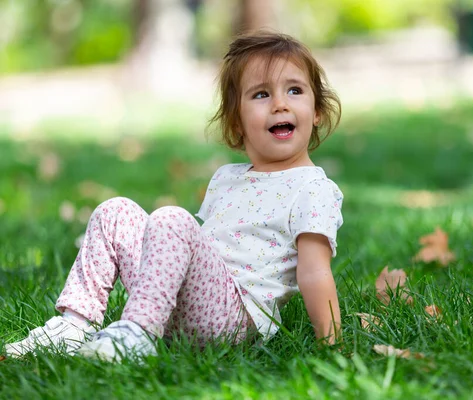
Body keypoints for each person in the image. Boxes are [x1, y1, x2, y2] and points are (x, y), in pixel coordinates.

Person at [4, 31, 344, 362]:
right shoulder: (228, 178)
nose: (280, 104)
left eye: (295, 90)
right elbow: (193, 250)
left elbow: (314, 272)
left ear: (316, 111)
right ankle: (73, 326)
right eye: (260, 95)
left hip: (236, 317)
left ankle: (137, 334)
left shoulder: (312, 188)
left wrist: (331, 345)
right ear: (237, 122)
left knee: (172, 219)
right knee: (116, 211)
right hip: (183, 303)